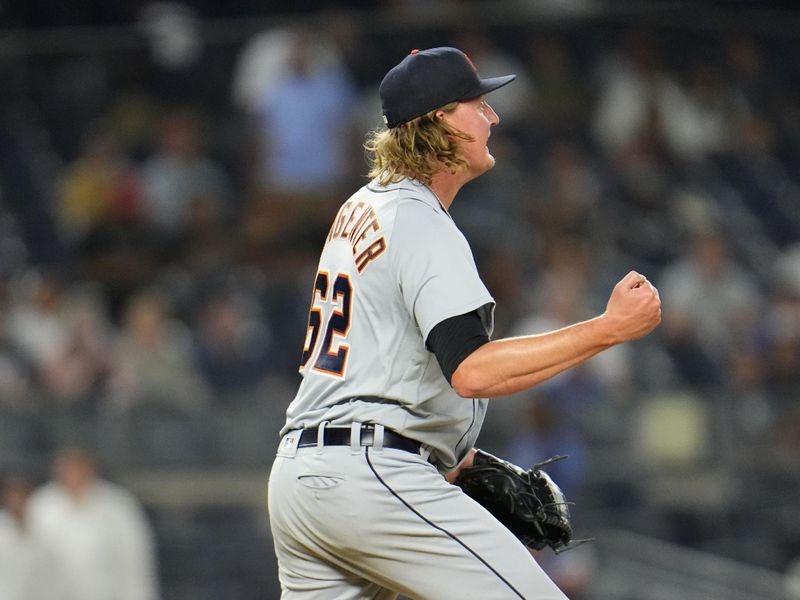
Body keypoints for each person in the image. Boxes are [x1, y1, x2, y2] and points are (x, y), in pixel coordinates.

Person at [267, 46, 661, 600]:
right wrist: (608, 328)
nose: (492, 117)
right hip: (371, 476)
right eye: (477, 103)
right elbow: (472, 372)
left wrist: (455, 452)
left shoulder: (361, 208)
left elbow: (382, 364)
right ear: (439, 123)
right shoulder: (420, 220)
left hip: (301, 482)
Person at [26, 448, 159, 600]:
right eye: (68, 468)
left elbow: (135, 560)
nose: (74, 474)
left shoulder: (118, 505)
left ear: (91, 469)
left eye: (79, 467)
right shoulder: (41, 505)